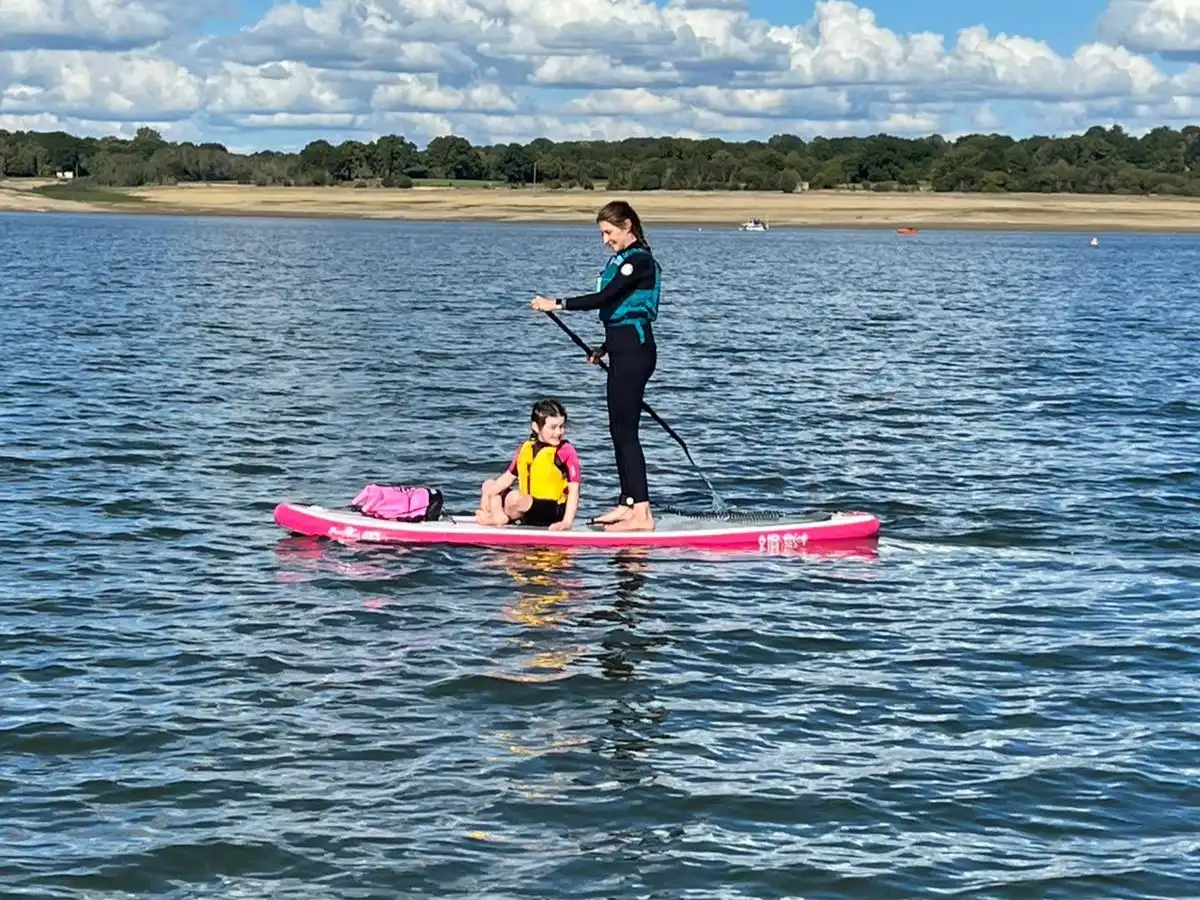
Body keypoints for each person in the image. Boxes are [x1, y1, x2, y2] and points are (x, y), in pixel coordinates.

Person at [530, 200, 659, 532]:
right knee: (618, 431)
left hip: (636, 354)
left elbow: (605, 298)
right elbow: (617, 313)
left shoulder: (640, 262)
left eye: (609, 232)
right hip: (622, 351)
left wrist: (556, 304)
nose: (605, 240)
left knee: (627, 434)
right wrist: (603, 349)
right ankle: (627, 504)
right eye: (602, 233)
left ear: (627, 226)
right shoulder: (622, 261)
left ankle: (643, 514)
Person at [475, 398, 581, 530]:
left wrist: (567, 522)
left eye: (561, 426)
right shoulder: (525, 448)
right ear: (536, 427)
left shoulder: (565, 451)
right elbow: (508, 478)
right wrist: (487, 496)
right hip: (526, 507)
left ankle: (498, 515)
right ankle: (499, 516)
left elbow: (574, 490)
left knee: (515, 498)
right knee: (489, 485)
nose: (559, 432)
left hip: (552, 510)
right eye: (553, 427)